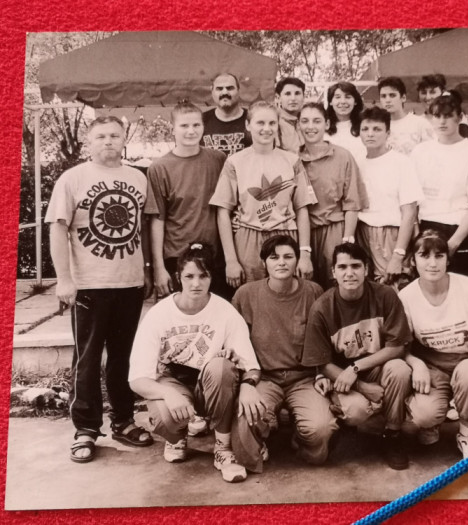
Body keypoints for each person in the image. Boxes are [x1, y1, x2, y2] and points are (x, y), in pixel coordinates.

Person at [45, 115, 153, 463]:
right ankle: (86, 430)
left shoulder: (138, 178)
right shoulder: (72, 178)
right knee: (88, 359)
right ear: (88, 143)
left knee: (123, 357)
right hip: (89, 285)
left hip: (129, 283)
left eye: (115, 136)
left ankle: (123, 420)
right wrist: (64, 279)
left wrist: (147, 270)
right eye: (101, 136)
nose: (108, 141)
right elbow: (57, 230)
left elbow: (144, 230)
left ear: (124, 140)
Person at [129, 243, 261, 482]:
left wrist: (249, 384)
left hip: (208, 386)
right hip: (173, 382)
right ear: (178, 277)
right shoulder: (159, 314)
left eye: (203, 276)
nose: (196, 283)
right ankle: (177, 437)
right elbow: (137, 379)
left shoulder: (226, 312)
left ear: (212, 277)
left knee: (223, 368)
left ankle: (222, 449)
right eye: (189, 276)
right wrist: (167, 394)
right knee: (164, 416)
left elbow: (250, 364)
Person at [231, 235, 337, 472]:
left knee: (321, 433)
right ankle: (263, 432)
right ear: (264, 263)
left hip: (303, 378)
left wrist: (321, 373)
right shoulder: (246, 295)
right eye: (274, 257)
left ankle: (299, 438)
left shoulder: (313, 292)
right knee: (246, 423)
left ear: (297, 260)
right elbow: (236, 343)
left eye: (288, 256)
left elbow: (323, 339)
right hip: (264, 377)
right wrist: (246, 384)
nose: (281, 262)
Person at [303, 243, 413, 470]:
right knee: (356, 412)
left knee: (400, 369)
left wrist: (356, 368)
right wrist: (362, 386)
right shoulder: (323, 307)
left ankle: (392, 434)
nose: (349, 273)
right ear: (333, 272)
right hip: (343, 378)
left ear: (366, 269)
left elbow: (397, 347)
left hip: (375, 367)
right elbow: (322, 362)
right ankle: (348, 424)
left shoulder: (385, 295)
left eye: (356, 266)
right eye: (342, 267)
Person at [398, 231, 468, 460]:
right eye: (424, 255)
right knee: (424, 415)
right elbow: (402, 345)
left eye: (439, 255)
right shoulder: (406, 297)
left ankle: (467, 432)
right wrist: (416, 364)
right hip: (432, 365)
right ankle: (433, 421)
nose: (432, 263)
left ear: (448, 259)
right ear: (413, 260)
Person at [209, 101, 317, 286]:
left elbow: (302, 209)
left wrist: (305, 254)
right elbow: (223, 212)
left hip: (285, 234)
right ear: (248, 125)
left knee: (286, 292)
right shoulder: (235, 162)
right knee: (250, 296)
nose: (266, 129)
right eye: (260, 123)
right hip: (249, 237)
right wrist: (231, 260)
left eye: (272, 123)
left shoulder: (292, 161)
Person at [146, 101, 232, 300]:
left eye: (196, 125)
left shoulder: (219, 159)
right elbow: (157, 220)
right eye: (184, 126)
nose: (191, 131)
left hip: (214, 257)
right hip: (178, 256)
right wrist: (158, 267)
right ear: (173, 129)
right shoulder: (159, 168)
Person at [411, 92, 468, 279]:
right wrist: (416, 236)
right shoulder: (420, 152)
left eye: (447, 116)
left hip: (458, 229)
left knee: (461, 293)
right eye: (437, 116)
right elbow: (412, 199)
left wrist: (454, 243)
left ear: (459, 118)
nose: (442, 122)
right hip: (425, 227)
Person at [298, 102, 368, 288]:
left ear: (327, 124)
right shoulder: (293, 159)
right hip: (302, 232)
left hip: (335, 229)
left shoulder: (343, 156)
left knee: (336, 285)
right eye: (304, 121)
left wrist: (347, 241)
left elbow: (353, 202)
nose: (310, 126)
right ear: (298, 125)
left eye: (316, 121)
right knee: (305, 285)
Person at [356, 106, 423, 284]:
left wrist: (398, 255)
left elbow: (409, 213)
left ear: (387, 133)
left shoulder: (401, 163)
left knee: (391, 286)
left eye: (377, 129)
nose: (370, 134)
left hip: (390, 235)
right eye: (365, 129)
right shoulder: (357, 163)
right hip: (361, 232)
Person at [377, 76, 434, 155]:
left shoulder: (420, 124)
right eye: (383, 96)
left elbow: (431, 154)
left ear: (403, 98)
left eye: (392, 95)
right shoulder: (377, 126)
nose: (387, 100)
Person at [201, 72, 252, 156]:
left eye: (230, 88)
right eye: (219, 89)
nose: (225, 92)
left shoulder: (252, 118)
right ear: (212, 92)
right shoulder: (201, 121)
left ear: (238, 91)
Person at [325, 81, 366, 163]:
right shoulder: (323, 127)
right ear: (330, 102)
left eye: (348, 97)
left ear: (355, 101)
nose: (343, 101)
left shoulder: (365, 125)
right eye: (337, 97)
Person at [275, 77, 306, 153]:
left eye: (297, 93)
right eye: (287, 94)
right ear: (278, 98)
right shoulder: (273, 122)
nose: (293, 98)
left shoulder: (309, 120)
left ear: (303, 97)